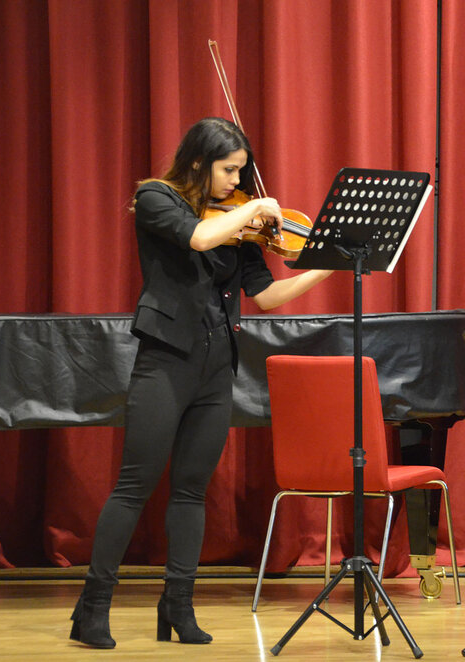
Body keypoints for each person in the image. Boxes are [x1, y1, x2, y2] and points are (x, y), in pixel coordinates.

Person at [69, 117, 333, 649]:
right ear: (198, 161)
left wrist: (327, 265)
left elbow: (266, 296)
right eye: (229, 170)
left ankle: (178, 605)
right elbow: (196, 237)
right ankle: (92, 607)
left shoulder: (238, 220)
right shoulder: (156, 198)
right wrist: (253, 209)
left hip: (217, 366)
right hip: (166, 361)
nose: (237, 181)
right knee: (134, 486)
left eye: (241, 172)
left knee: (191, 490)